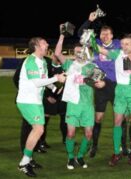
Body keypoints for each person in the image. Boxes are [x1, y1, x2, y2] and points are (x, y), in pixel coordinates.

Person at [78, 11, 129, 158]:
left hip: (116, 86)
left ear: (112, 36)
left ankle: (123, 146)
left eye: (107, 34)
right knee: (98, 118)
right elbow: (81, 34)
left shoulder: (119, 44)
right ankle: (94, 146)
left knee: (120, 117)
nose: (104, 36)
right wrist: (89, 20)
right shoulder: (96, 43)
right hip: (100, 84)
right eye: (102, 33)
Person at [55, 26, 105, 170]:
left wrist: (101, 84)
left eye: (81, 51)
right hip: (73, 104)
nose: (79, 54)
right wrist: (62, 35)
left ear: (86, 52)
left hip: (88, 105)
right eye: (76, 52)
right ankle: (71, 157)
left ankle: (80, 156)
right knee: (70, 133)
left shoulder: (91, 67)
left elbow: (100, 83)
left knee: (88, 134)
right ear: (74, 53)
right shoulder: (70, 65)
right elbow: (57, 53)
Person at [96, 33, 131, 166]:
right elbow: (100, 49)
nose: (123, 46)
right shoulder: (117, 54)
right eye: (122, 44)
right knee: (117, 121)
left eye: (127, 44)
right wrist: (90, 39)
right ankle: (116, 153)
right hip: (120, 91)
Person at [17, 37, 66, 177]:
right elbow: (37, 82)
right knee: (38, 129)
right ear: (37, 46)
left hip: (36, 101)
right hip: (27, 101)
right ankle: (23, 163)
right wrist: (56, 78)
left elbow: (44, 80)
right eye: (44, 43)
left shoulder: (43, 61)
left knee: (36, 130)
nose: (47, 44)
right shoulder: (31, 61)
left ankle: (29, 159)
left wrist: (55, 89)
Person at [41, 55, 67, 146]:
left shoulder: (65, 68)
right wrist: (48, 96)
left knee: (64, 119)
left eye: (58, 57)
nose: (56, 58)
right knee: (45, 120)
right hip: (50, 97)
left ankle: (65, 140)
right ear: (52, 57)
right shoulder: (47, 67)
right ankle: (42, 141)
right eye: (55, 57)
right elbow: (43, 81)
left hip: (62, 97)